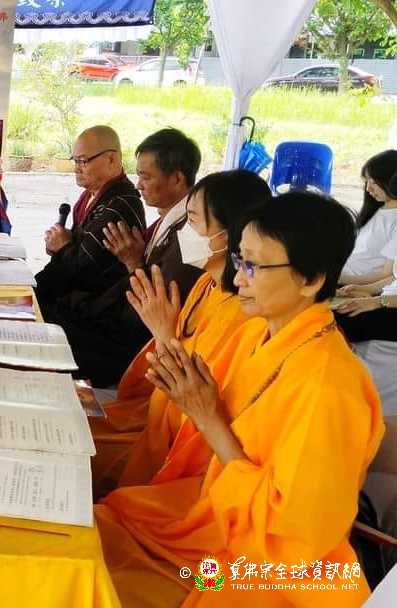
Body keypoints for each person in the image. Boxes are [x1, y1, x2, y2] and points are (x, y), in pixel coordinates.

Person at [95, 192, 383, 608]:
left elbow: (292, 535)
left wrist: (207, 418)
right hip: (215, 521)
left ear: (311, 279)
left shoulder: (327, 385)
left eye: (254, 266)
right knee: (103, 521)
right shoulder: (261, 336)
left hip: (268, 574)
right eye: (238, 260)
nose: (239, 278)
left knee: (101, 580)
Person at [88, 170, 271, 496]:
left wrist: (163, 334)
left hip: (176, 444)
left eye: (193, 221)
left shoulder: (243, 316)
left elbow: (193, 399)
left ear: (228, 234)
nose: (185, 232)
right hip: (148, 416)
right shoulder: (206, 285)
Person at [52, 128, 205, 387]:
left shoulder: (190, 235)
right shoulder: (166, 222)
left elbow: (154, 309)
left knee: (50, 336)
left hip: (129, 346)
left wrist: (134, 263)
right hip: (115, 322)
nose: (138, 185)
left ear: (177, 179)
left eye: (146, 177)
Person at [33, 126, 145, 319]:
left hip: (96, 311)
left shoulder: (119, 205)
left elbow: (83, 272)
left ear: (111, 159)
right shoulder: (91, 195)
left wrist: (63, 246)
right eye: (75, 160)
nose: (76, 168)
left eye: (83, 161)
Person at [333, 152, 397, 341]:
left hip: (387, 305)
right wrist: (367, 290)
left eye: (374, 182)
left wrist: (375, 300)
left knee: (327, 317)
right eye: (366, 181)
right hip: (382, 297)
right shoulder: (378, 211)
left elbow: (387, 275)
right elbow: (393, 278)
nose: (368, 188)